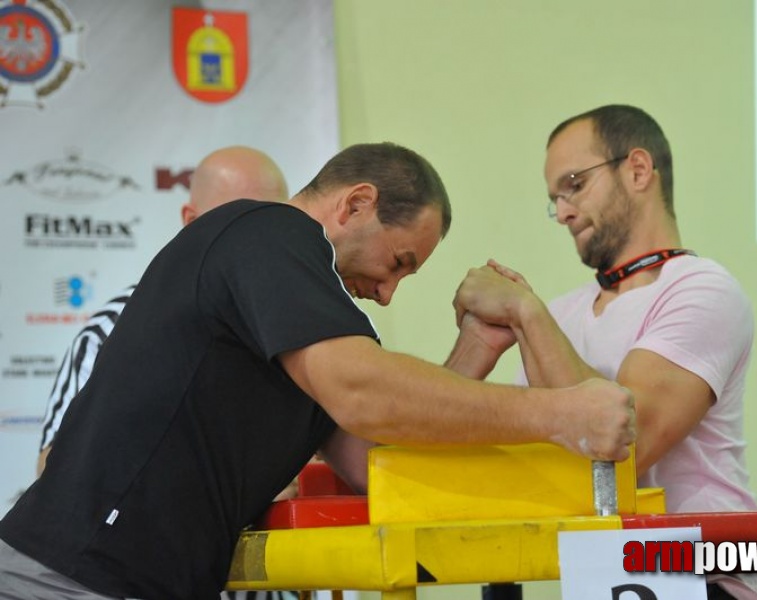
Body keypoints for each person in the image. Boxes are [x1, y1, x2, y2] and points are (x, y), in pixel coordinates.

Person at [0, 142, 636, 600]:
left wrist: (474, 348)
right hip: (64, 574)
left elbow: (369, 458)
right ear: (358, 203)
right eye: (399, 262)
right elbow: (362, 391)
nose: (387, 294)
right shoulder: (266, 232)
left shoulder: (305, 319)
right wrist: (559, 414)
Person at [450, 105, 757, 599]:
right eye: (555, 199)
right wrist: (476, 347)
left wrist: (526, 315)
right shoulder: (562, 313)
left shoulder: (702, 290)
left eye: (574, 184)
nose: (564, 212)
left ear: (637, 170)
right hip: (606, 578)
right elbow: (515, 453)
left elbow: (626, 451)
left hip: (703, 576)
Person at [36, 145, 291, 477]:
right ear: (191, 222)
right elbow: (53, 472)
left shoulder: (307, 324)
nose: (257, 243)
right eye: (237, 224)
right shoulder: (112, 328)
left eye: (274, 223)